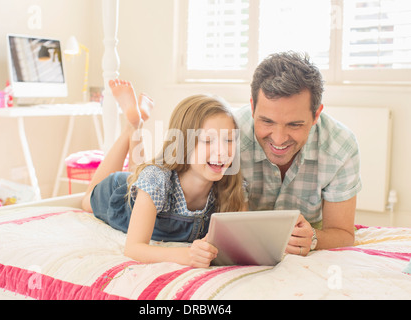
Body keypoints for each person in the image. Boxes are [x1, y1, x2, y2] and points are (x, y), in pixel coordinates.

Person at [82, 79, 246, 268]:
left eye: (229, 140)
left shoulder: (233, 186)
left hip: (146, 185)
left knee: (139, 172)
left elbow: (243, 242)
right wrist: (186, 255)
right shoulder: (156, 180)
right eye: (208, 141)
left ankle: (137, 124)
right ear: (183, 144)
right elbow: (134, 249)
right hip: (120, 196)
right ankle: (132, 126)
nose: (222, 151)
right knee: (87, 199)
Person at [235, 51, 362, 256]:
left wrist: (313, 238)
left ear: (316, 115)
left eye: (294, 124)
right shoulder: (228, 138)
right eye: (267, 121)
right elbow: (233, 226)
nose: (278, 139)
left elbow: (343, 234)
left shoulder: (341, 147)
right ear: (252, 107)